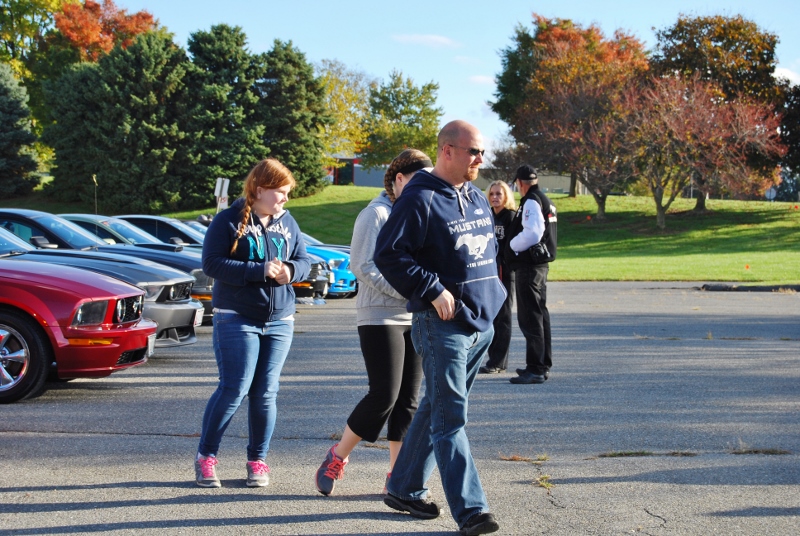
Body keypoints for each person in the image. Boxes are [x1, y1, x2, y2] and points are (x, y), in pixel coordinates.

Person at [374, 120, 505, 536]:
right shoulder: (419, 199)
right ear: (447, 151)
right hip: (441, 325)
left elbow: (488, 252)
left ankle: (403, 486)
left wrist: (494, 295)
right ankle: (472, 512)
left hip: (479, 324)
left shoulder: (476, 196)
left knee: (437, 408)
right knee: (451, 419)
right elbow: (389, 255)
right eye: (473, 152)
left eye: (482, 152)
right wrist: (432, 289)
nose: (480, 160)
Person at [314, 149, 431, 496]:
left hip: (416, 314)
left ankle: (396, 476)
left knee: (408, 399)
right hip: (380, 315)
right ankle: (337, 456)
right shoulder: (375, 214)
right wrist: (407, 291)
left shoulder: (417, 213)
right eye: (418, 181)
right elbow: (362, 266)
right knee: (384, 394)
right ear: (399, 179)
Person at [194, 158, 311, 488]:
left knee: (265, 394)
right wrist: (256, 271)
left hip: (280, 321)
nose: (286, 199)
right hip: (236, 318)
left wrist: (292, 271)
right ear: (260, 190)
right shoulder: (228, 221)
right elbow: (212, 264)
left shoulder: (287, 222)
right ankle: (206, 457)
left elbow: (304, 260)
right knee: (234, 389)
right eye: (281, 192)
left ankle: (257, 461)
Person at [506, 165, 558, 385]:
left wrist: (511, 245)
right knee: (540, 315)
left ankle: (536, 368)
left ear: (519, 182)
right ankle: (540, 364)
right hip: (539, 265)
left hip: (529, 265)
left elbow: (533, 233)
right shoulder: (544, 199)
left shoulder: (531, 201)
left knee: (530, 317)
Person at [479, 180, 516, 374]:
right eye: (492, 194)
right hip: (488, 270)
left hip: (503, 270)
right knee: (491, 314)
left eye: (498, 194)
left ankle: (499, 361)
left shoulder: (510, 217)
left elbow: (510, 247)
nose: (494, 197)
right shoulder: (487, 216)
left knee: (502, 316)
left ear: (506, 196)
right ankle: (492, 358)